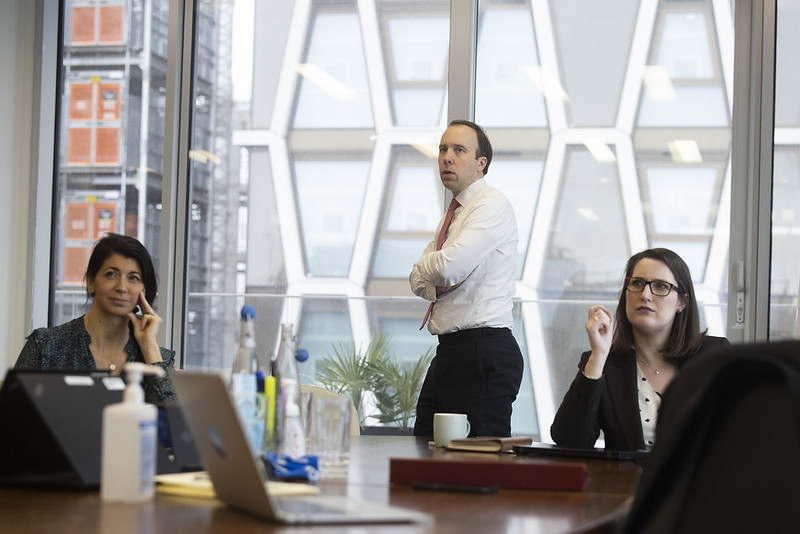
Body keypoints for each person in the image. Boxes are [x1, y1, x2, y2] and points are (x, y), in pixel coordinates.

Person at [550, 247, 729, 450]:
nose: (645, 295)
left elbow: (738, 434)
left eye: (661, 286)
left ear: (682, 302)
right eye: (637, 283)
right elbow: (569, 440)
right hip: (631, 472)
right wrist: (598, 356)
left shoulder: (714, 355)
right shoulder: (605, 363)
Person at [410, 119, 523, 437]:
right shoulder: (455, 212)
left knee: (478, 460)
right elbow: (417, 279)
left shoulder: (491, 204)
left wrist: (432, 269)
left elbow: (449, 267)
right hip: (450, 351)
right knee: (424, 448)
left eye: (459, 150)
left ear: (481, 163)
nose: (447, 157)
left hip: (483, 350)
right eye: (443, 149)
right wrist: (435, 275)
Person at [15, 233, 176, 404]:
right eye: (111, 274)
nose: (122, 287)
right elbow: (11, 415)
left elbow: (174, 418)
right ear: (91, 282)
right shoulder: (46, 346)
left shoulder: (158, 360)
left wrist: (149, 346)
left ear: (144, 290)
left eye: (133, 278)